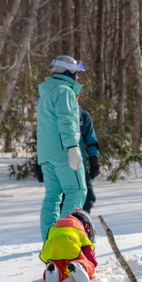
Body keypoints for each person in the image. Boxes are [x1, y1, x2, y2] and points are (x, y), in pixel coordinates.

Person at [36, 55, 88, 239]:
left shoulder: (46, 94)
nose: (78, 78)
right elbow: (66, 122)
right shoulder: (64, 91)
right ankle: (67, 239)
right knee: (77, 191)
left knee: (52, 196)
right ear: (68, 72)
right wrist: (72, 147)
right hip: (63, 152)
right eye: (76, 73)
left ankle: (50, 241)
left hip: (47, 154)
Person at [40, 209, 98, 282]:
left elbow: (47, 246)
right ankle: (80, 266)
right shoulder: (79, 231)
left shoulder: (55, 229)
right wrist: (92, 264)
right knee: (86, 263)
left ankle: (53, 269)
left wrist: (48, 263)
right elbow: (88, 252)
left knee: (58, 265)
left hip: (51, 247)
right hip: (71, 247)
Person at [80, 108, 101, 212]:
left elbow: (91, 140)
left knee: (88, 199)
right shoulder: (52, 114)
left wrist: (94, 159)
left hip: (79, 166)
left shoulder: (83, 116)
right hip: (59, 167)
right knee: (60, 201)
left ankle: (80, 226)